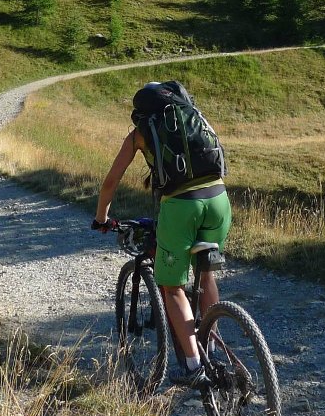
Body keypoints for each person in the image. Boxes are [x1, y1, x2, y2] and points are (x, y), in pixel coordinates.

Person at [92, 83, 231, 390]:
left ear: (141, 112)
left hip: (182, 206)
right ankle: (209, 345)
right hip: (220, 198)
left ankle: (194, 365)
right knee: (206, 277)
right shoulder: (192, 117)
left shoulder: (142, 131)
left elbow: (110, 182)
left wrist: (101, 218)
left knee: (171, 286)